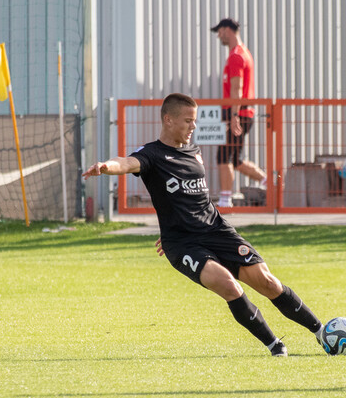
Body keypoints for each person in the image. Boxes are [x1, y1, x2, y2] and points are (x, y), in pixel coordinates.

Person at [83, 93, 326, 357]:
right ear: (168, 120)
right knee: (229, 285)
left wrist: (176, 221)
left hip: (216, 230)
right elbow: (127, 162)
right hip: (183, 244)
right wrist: (106, 166)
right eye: (188, 121)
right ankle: (275, 346)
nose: (193, 127)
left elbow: (190, 201)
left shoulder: (194, 152)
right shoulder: (152, 155)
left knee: (267, 282)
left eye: (195, 121)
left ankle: (322, 333)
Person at [212, 17, 265, 208]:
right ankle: (270, 183)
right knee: (236, 160)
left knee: (223, 156)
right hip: (241, 113)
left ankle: (226, 201)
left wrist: (234, 116)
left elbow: (237, 88)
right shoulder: (242, 53)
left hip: (238, 114)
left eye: (219, 31)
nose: (219, 35)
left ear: (227, 30)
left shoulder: (236, 55)